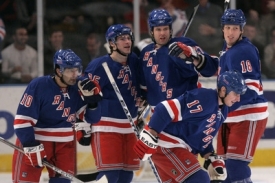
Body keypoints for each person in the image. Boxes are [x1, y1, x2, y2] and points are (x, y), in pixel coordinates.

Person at [133, 70, 247, 182]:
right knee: (200, 179)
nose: (238, 99)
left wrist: (209, 156)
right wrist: (151, 132)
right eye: (236, 93)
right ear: (223, 90)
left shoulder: (223, 110)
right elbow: (164, 108)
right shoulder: (205, 98)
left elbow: (202, 137)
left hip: (182, 150)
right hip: (169, 145)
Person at [12, 49, 102, 183]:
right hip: (37, 142)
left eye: (77, 69)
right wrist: (30, 144)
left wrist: (93, 102)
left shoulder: (79, 87)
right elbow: (22, 122)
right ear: (59, 71)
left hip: (65, 146)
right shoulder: (39, 86)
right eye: (70, 70)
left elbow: (93, 119)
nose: (74, 74)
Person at [79, 24, 141, 183]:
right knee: (110, 177)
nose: (127, 42)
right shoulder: (100, 66)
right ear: (112, 43)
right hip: (107, 127)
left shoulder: (134, 61)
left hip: (130, 127)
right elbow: (84, 97)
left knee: (126, 176)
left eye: (128, 38)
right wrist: (82, 127)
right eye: (122, 39)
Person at [217, 9, 269, 183]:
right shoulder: (228, 50)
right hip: (229, 117)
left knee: (235, 167)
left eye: (235, 28)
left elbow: (252, 88)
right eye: (228, 28)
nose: (231, 32)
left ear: (241, 30)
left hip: (248, 115)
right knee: (221, 170)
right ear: (222, 29)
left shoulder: (243, 51)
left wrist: (225, 105)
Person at [139, 9, 219, 110]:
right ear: (151, 31)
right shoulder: (145, 53)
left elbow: (210, 69)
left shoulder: (184, 45)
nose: (162, 33)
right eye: (158, 30)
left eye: (165, 29)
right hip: (157, 115)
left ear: (171, 30)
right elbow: (144, 86)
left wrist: (192, 56)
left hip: (183, 111)